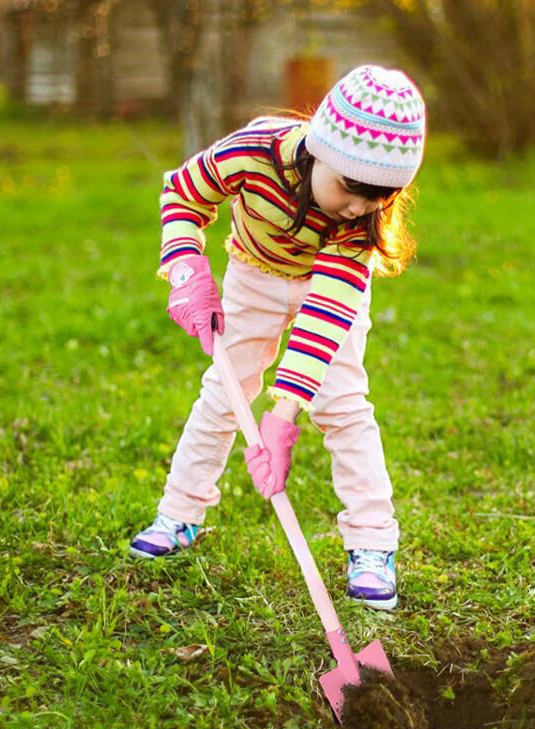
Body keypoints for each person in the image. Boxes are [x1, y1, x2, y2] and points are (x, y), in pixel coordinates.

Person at [128, 65, 426, 611]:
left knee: (342, 405)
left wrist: (284, 413)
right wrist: (185, 266)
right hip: (255, 275)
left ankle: (371, 544)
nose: (360, 207)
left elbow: (327, 314)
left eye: (379, 198)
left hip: (326, 288)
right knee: (225, 394)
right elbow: (182, 194)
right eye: (352, 189)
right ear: (320, 151)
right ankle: (180, 514)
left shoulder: (358, 223)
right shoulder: (252, 152)